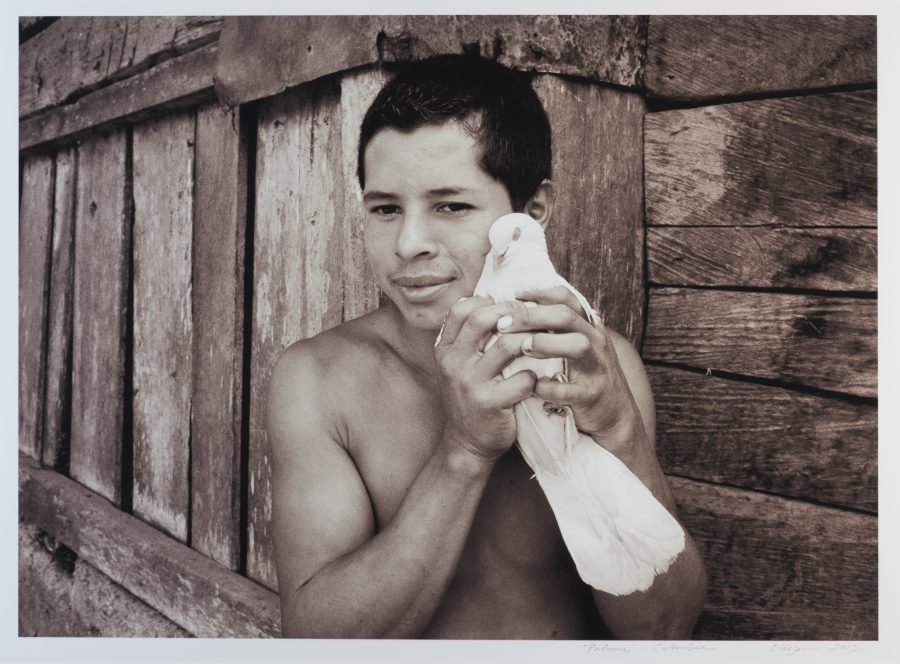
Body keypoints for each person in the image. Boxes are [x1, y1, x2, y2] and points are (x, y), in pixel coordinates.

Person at [266, 54, 707, 639]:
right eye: (386, 208)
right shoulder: (319, 382)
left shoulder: (596, 367)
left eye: (452, 206)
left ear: (532, 212)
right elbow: (315, 639)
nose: (409, 243)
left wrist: (619, 431)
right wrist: (464, 451)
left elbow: (663, 631)